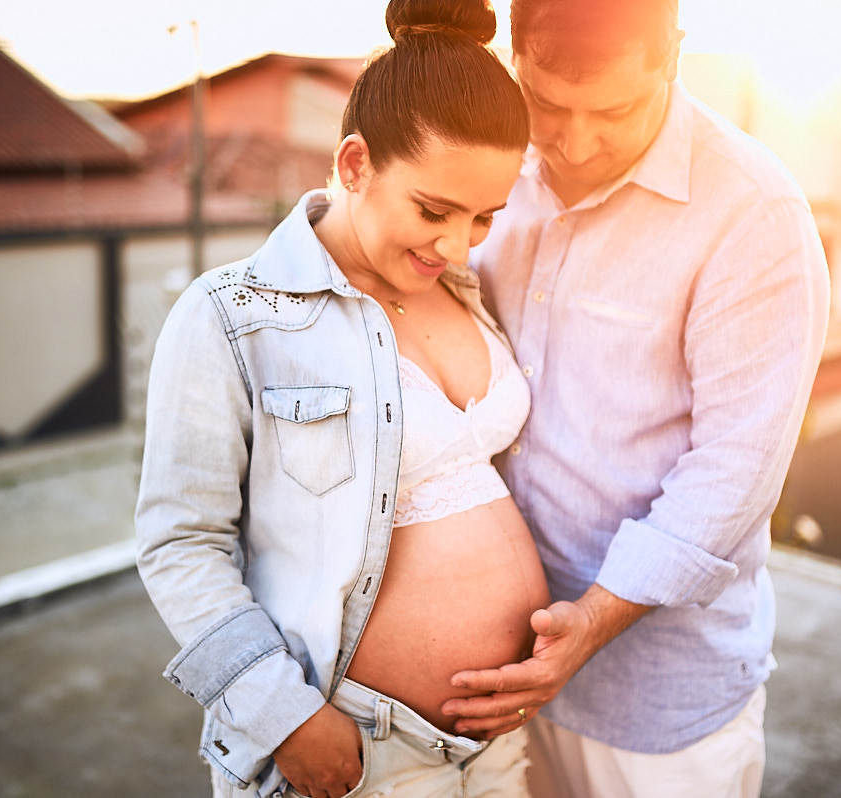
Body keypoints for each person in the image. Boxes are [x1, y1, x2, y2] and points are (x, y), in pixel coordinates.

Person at [134, 2, 548, 797]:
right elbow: (180, 544)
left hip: (496, 747)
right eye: (433, 210)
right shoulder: (232, 316)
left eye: (483, 217)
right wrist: (282, 717)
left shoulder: (464, 289)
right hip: (357, 753)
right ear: (355, 164)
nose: (455, 243)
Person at [442, 1, 831, 796]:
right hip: (491, 678)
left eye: (614, 112)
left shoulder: (755, 215)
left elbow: (735, 470)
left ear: (673, 56)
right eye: (545, 103)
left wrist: (593, 619)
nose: (573, 141)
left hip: (658, 719)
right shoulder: (487, 168)